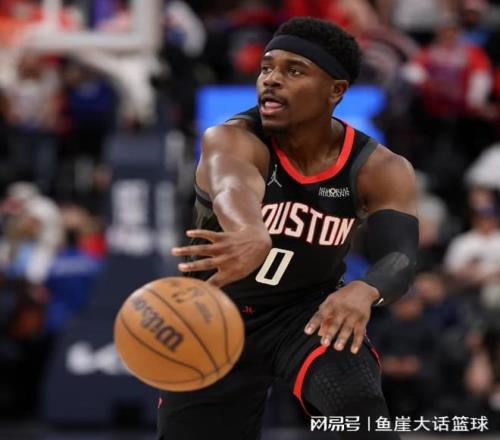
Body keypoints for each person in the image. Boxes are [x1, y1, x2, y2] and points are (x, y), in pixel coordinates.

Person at [160, 17, 418, 439]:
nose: (271, 79)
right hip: (216, 316)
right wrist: (248, 228)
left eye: (294, 70)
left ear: (335, 90)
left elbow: (401, 257)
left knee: (363, 417)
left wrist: (365, 289)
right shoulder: (230, 138)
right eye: (266, 68)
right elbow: (232, 186)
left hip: (309, 314)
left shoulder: (380, 168)